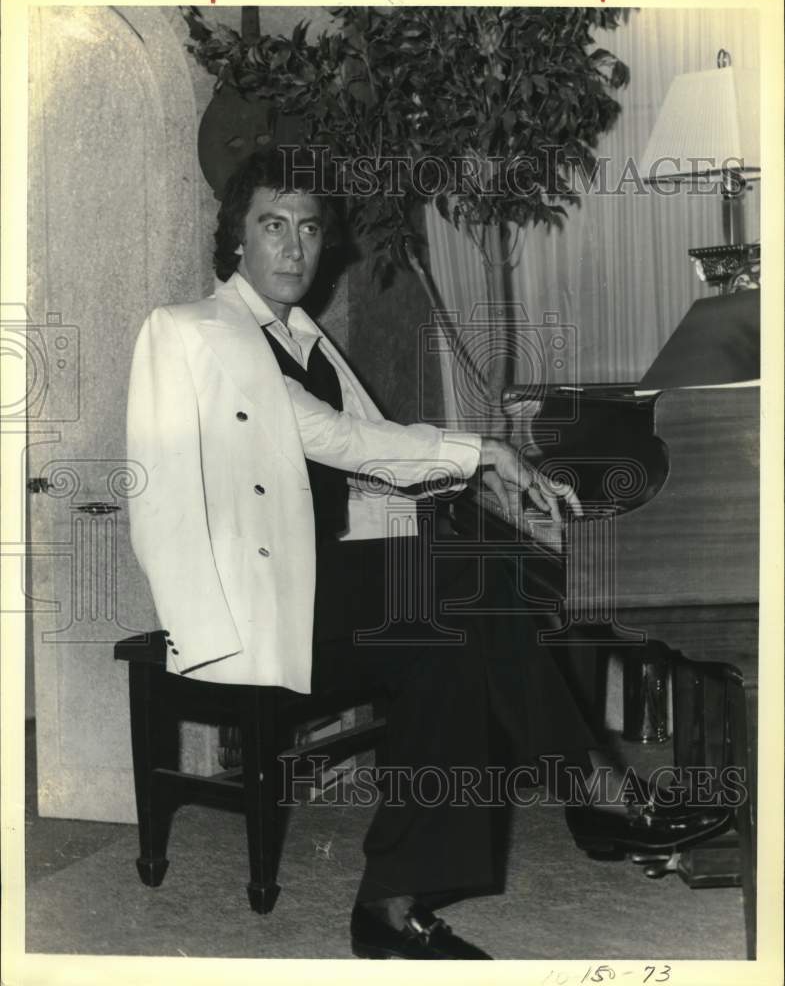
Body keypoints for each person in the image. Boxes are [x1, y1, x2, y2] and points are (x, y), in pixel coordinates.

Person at [127, 146, 725, 960]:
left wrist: (477, 487)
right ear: (236, 237)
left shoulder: (308, 340)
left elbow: (375, 467)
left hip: (327, 588)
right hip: (250, 606)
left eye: (309, 228)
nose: (294, 247)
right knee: (468, 576)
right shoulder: (193, 330)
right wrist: (483, 452)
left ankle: (392, 904)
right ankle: (595, 787)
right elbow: (322, 439)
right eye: (272, 225)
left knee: (457, 630)